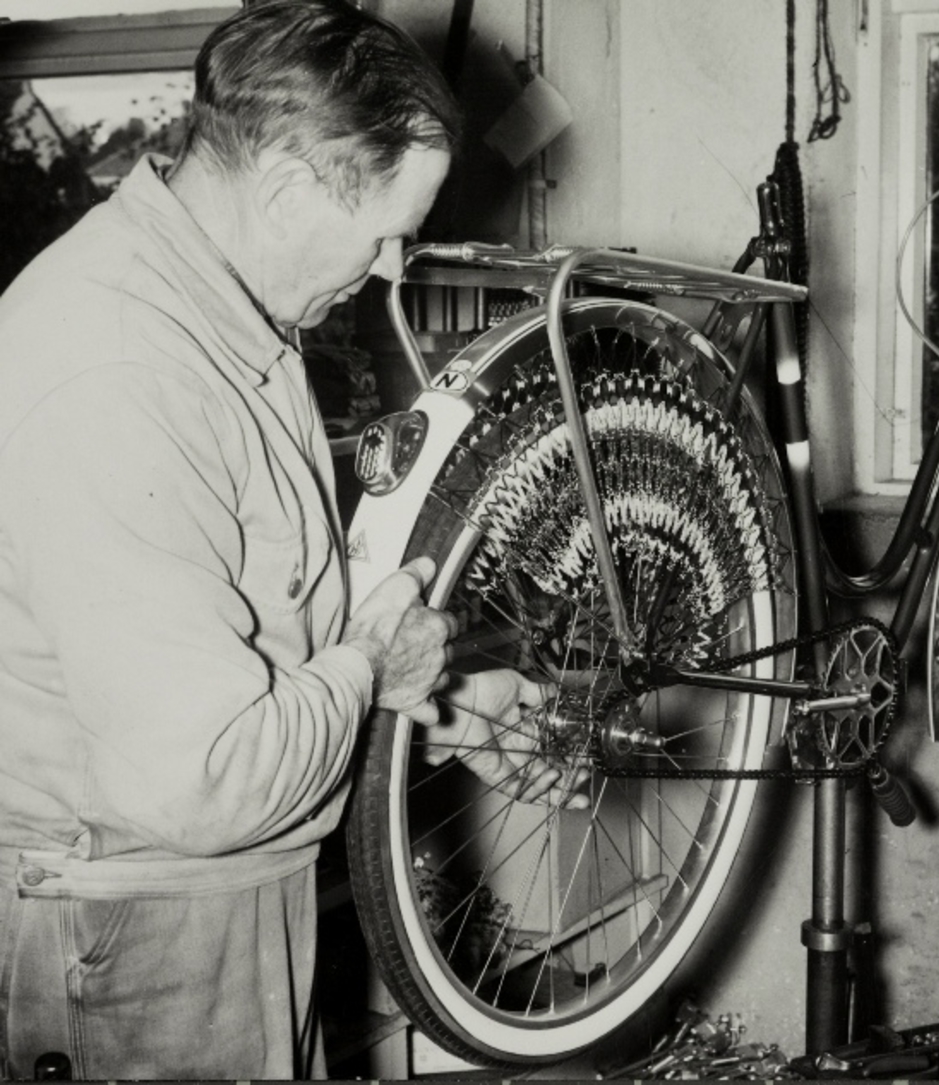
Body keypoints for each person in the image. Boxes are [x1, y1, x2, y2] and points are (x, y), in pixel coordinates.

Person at [0, 1, 579, 1077]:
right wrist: (372, 669)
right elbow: (207, 777)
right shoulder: (123, 372)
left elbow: (254, 640)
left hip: (210, 902)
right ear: (284, 190)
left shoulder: (223, 317)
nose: (395, 267)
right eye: (385, 233)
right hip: (133, 940)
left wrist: (437, 707)